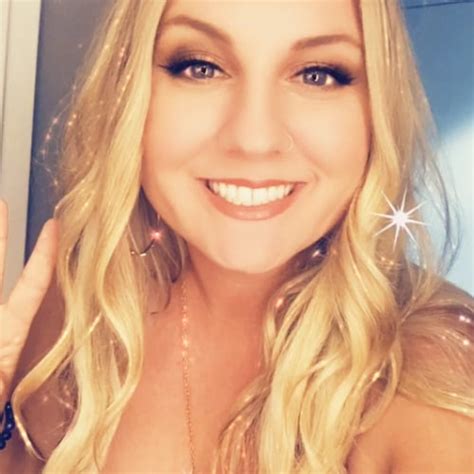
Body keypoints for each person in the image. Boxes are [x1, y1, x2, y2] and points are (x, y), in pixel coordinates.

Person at [0, 0, 473, 472]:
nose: (253, 139)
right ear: (131, 91)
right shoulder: (83, 301)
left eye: (317, 75)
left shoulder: (438, 377)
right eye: (200, 68)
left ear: (376, 110)